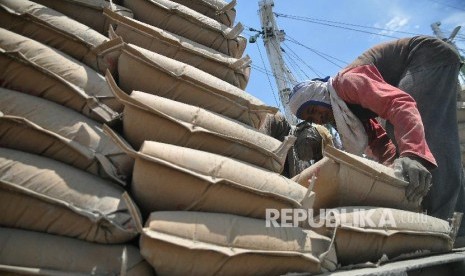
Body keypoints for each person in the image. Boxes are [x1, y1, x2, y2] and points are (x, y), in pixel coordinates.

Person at [289, 36, 464, 243]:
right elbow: (381, 142)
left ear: (316, 95)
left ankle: (443, 225)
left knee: (420, 134)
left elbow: (400, 104)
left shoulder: (345, 83)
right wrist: (392, 175)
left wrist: (412, 155)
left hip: (426, 55)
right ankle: (458, 224)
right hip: (429, 61)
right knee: (403, 139)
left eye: (313, 109)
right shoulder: (347, 114)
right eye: (311, 119)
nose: (318, 118)